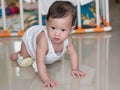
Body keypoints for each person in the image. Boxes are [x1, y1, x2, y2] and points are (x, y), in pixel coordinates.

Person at [11, 1, 86, 88]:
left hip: (44, 51)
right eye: (53, 28)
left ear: (71, 30)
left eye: (63, 30)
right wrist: (46, 79)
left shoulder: (68, 39)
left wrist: (75, 69)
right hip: (29, 41)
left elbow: (73, 53)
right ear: (47, 24)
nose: (57, 33)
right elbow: (40, 62)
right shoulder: (43, 40)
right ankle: (16, 55)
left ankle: (50, 56)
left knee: (49, 59)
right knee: (24, 61)